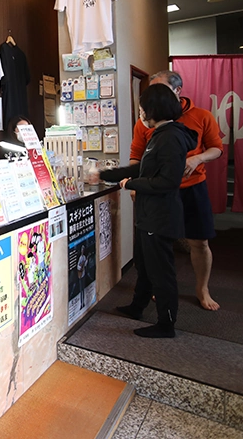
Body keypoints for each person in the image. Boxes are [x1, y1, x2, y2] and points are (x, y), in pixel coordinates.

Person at [100, 85, 197, 338]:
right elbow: (144, 168)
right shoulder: (159, 134)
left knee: (161, 271)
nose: (141, 114)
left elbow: (167, 181)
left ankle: (166, 324)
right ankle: (137, 306)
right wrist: (108, 175)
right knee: (144, 265)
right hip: (149, 214)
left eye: (142, 109)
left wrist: (130, 184)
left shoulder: (171, 137)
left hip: (160, 216)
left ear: (153, 110)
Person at [129, 70, 223, 311]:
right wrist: (135, 183)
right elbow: (136, 155)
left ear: (177, 90)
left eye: (160, 88)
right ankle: (161, 288)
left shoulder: (201, 116)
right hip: (158, 191)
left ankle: (202, 289)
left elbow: (216, 148)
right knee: (159, 245)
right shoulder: (145, 121)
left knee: (199, 242)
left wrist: (197, 158)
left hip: (192, 188)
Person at [77, 243, 88, 308]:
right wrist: (81, 266)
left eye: (83, 249)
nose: (82, 251)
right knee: (81, 290)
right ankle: (81, 304)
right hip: (80, 275)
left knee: (83, 290)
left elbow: (85, 264)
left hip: (83, 274)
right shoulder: (80, 258)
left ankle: (83, 303)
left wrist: (85, 263)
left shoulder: (84, 257)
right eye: (82, 249)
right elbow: (78, 267)